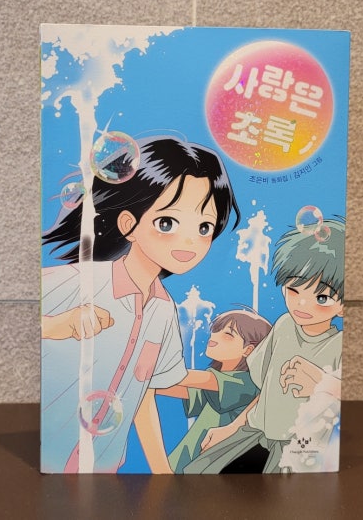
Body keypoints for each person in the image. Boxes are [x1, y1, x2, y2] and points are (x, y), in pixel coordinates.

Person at [41, 136, 239, 474]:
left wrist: (162, 473)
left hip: (104, 467)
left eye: (204, 227)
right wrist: (59, 324)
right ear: (128, 224)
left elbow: (143, 394)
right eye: (167, 223)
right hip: (52, 456)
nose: (189, 241)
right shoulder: (78, 281)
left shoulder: (163, 311)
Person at [183, 218, 344, 474]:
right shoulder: (283, 326)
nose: (302, 304)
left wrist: (321, 384)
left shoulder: (337, 345)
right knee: (197, 472)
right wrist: (231, 428)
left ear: (343, 306)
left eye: (322, 297)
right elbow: (265, 391)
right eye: (294, 290)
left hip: (301, 447)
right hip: (254, 433)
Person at [157, 309, 272, 472]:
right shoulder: (216, 383)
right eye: (216, 331)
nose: (214, 337)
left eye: (228, 335)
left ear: (248, 350)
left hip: (206, 465)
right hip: (184, 462)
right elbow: (183, 391)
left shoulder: (247, 382)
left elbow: (192, 379)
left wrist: (148, 375)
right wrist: (145, 386)